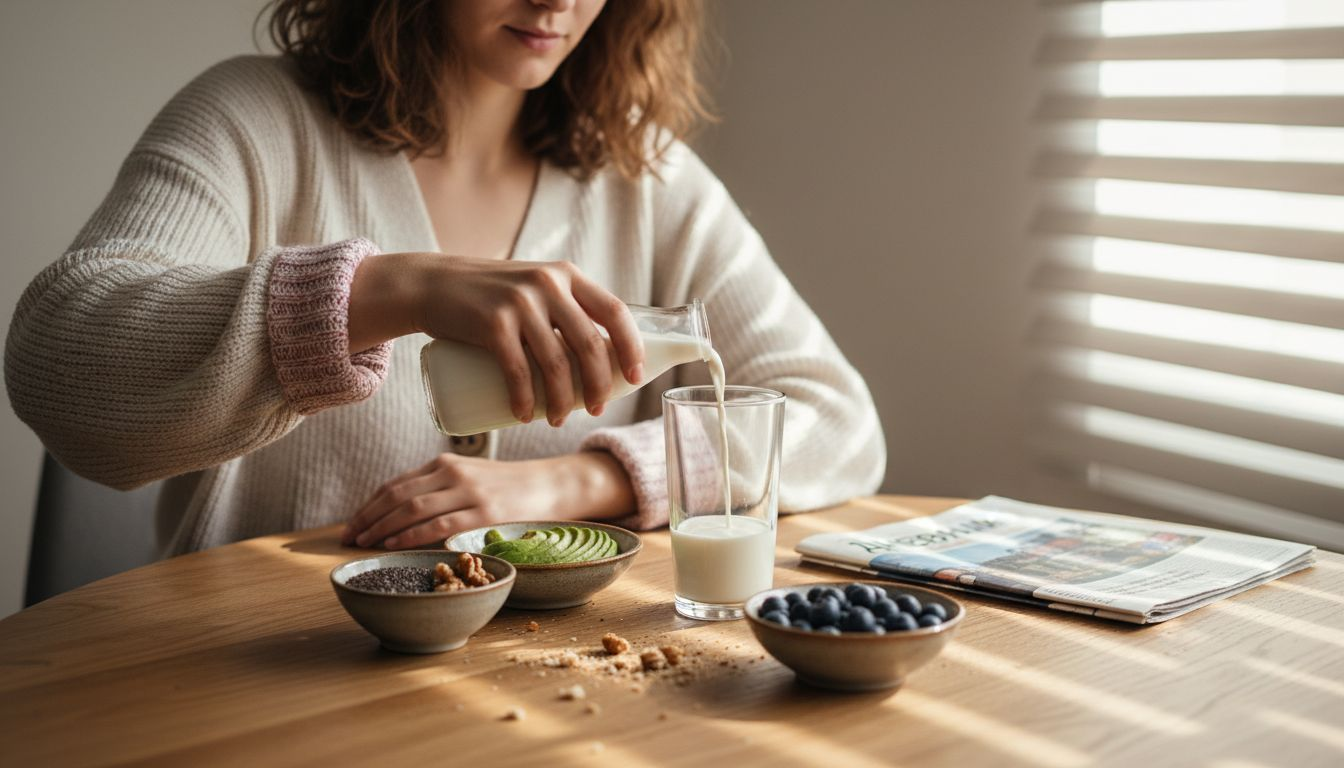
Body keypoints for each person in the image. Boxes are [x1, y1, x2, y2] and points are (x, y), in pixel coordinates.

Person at [5, 0, 884, 557]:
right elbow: (60, 365)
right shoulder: (254, 121)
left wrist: (577, 483)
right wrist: (387, 292)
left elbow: (837, 422)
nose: (559, 1)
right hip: (263, 697)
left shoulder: (644, 177)